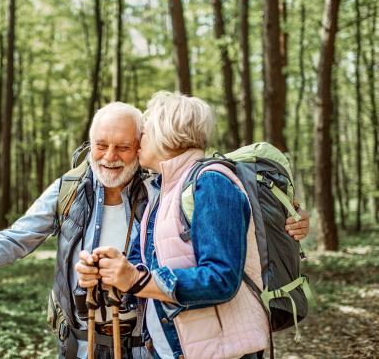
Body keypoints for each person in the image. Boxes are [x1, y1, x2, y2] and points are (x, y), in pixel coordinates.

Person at [0, 101, 310, 359]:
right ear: (89, 144)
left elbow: (220, 225)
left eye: (123, 147)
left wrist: (286, 221)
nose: (110, 157)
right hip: (82, 341)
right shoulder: (71, 189)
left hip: (150, 342)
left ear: (142, 145)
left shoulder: (164, 187)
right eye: (101, 145)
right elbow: (19, 236)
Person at [77, 92, 298, 358]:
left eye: (144, 133)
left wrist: (136, 279)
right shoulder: (162, 192)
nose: (138, 145)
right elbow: (140, 269)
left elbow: (221, 279)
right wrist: (108, 272)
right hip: (173, 349)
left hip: (222, 352)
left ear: (165, 134)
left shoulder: (211, 183)